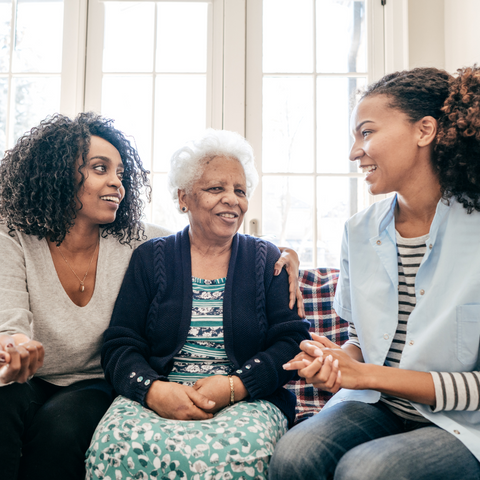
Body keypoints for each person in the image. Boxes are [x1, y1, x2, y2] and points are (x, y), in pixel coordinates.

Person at [0, 115, 303, 480]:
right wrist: (14, 344)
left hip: (112, 383)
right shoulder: (18, 237)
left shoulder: (140, 241)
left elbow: (212, 236)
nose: (117, 182)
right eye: (101, 168)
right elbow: (14, 318)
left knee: (61, 429)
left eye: (240, 191)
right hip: (52, 379)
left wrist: (285, 254)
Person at [269, 66, 480, 480]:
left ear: (424, 131)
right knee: (294, 456)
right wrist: (337, 360)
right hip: (376, 403)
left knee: (367, 471)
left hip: (461, 422)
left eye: (366, 133)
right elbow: (362, 344)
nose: (354, 152)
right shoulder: (359, 231)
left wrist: (366, 373)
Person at [85, 129, 311, 480]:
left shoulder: (267, 259)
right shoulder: (150, 257)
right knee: (115, 446)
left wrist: (235, 386)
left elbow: (292, 344)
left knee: (237, 454)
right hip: (161, 393)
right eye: (216, 188)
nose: (232, 200)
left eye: (240, 190)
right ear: (183, 198)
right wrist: (152, 390)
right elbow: (120, 344)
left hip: (246, 399)